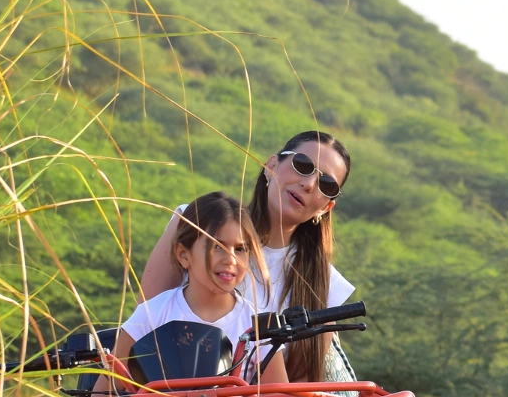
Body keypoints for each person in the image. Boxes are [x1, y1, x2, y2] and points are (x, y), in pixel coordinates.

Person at [140, 130, 353, 383]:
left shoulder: (326, 283)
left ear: (326, 207)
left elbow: (301, 384)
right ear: (271, 166)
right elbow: (145, 324)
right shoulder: (195, 224)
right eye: (303, 165)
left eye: (326, 184)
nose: (308, 184)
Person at [100, 191, 288, 390]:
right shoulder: (152, 315)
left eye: (240, 249)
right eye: (217, 246)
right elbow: (103, 395)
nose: (231, 259)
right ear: (183, 254)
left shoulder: (258, 326)